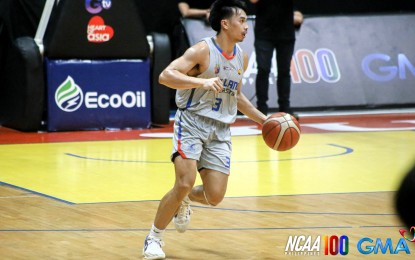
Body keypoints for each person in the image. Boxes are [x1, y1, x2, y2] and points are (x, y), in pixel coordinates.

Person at [142, 0, 267, 259]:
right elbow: (165, 75)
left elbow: (237, 97)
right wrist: (201, 81)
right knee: (184, 182)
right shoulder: (202, 51)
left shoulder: (241, 56)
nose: (246, 26)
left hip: (220, 130)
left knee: (215, 196)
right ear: (225, 23)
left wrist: (264, 120)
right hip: (192, 123)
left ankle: (183, 200)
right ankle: (153, 238)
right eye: (241, 20)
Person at [250, 0, 303, 116]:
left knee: (284, 71)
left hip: (286, 33)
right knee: (263, 69)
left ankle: (285, 107)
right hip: (264, 33)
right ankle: (261, 108)